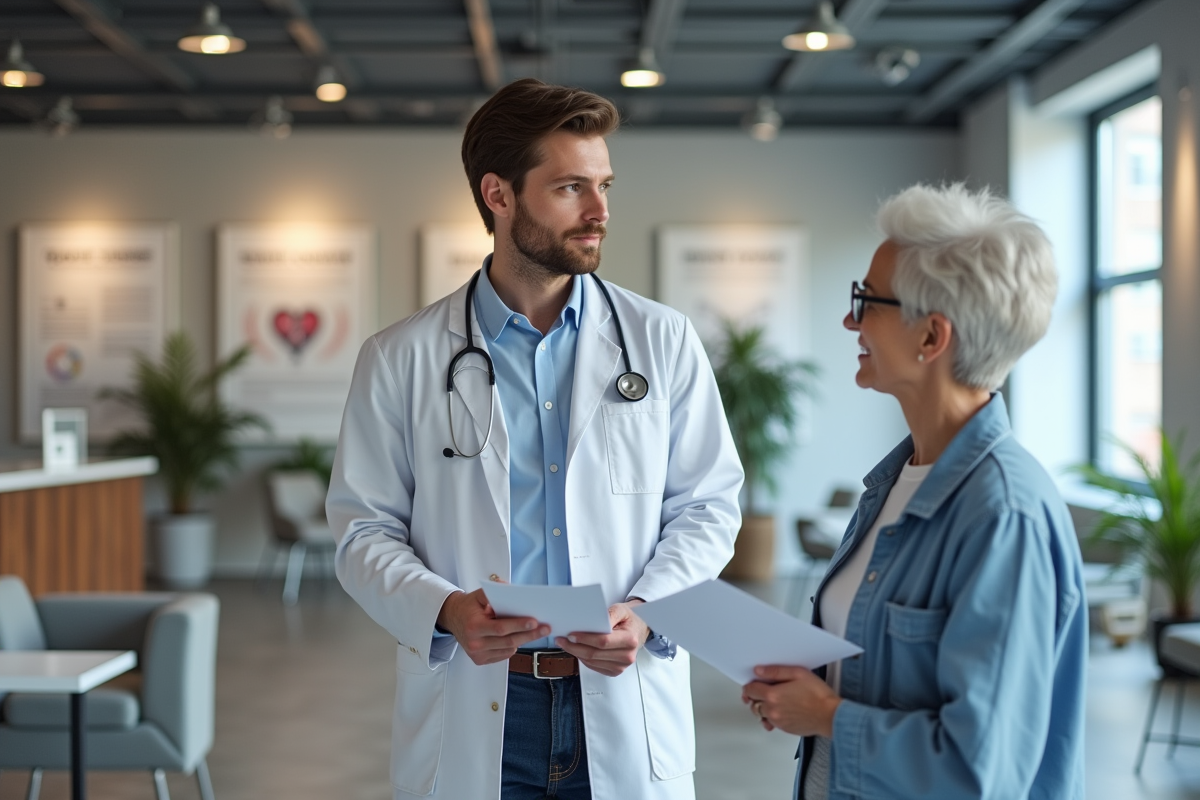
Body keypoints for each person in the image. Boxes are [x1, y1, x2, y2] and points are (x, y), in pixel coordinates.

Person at [326, 78, 743, 800]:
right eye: (570, 188)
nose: (600, 212)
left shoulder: (661, 341)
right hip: (481, 699)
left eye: (605, 185)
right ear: (499, 195)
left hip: (620, 694)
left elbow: (709, 507)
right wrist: (445, 610)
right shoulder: (401, 357)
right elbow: (362, 529)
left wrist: (646, 613)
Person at [742, 183, 1087, 800]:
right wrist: (809, 688)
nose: (850, 319)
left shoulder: (1003, 514)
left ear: (932, 338)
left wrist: (826, 716)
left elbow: (979, 768)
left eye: (867, 301)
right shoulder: (892, 483)